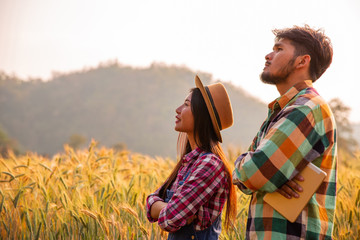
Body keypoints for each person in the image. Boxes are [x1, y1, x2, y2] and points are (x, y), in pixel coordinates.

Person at [232, 25, 337, 239]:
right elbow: (255, 175)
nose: (268, 55)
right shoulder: (283, 110)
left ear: (302, 61)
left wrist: (253, 172)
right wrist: (266, 177)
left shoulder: (305, 109)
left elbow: (256, 172)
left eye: (279, 49)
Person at [146, 75, 237, 239]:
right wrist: (169, 208)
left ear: (202, 116)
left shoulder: (210, 164)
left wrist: (165, 209)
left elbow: (170, 219)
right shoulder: (189, 162)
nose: (178, 109)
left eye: (186, 105)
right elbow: (150, 202)